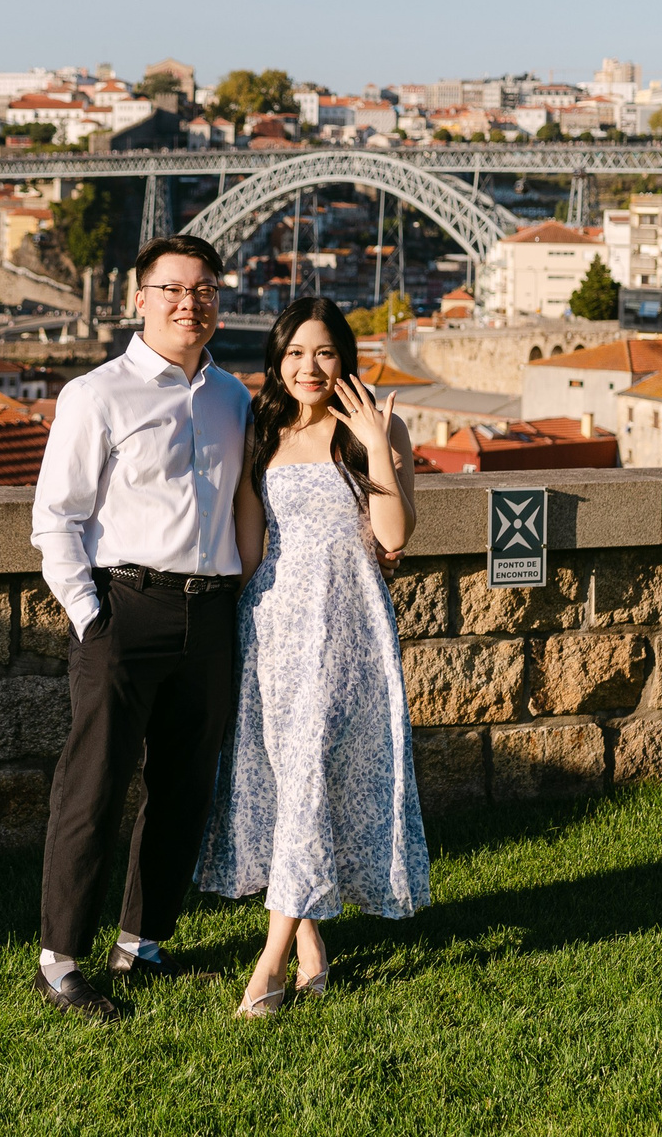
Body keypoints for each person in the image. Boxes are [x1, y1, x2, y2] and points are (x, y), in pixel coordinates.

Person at [27, 233, 253, 1023]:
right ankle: (60, 963)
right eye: (172, 289)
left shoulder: (235, 398)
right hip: (127, 608)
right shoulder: (96, 394)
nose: (189, 303)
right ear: (138, 299)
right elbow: (55, 519)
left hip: (212, 611)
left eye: (204, 290)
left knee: (184, 789)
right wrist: (93, 621)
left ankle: (143, 942)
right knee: (92, 788)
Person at [198, 294, 431, 1018]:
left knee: (306, 777)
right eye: (295, 352)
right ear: (277, 360)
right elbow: (248, 542)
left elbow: (394, 537)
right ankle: (310, 948)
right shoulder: (261, 429)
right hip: (272, 625)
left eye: (323, 352)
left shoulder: (375, 427)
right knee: (289, 778)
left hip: (347, 625)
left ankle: (266, 965)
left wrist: (378, 442)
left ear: (343, 359)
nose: (308, 366)